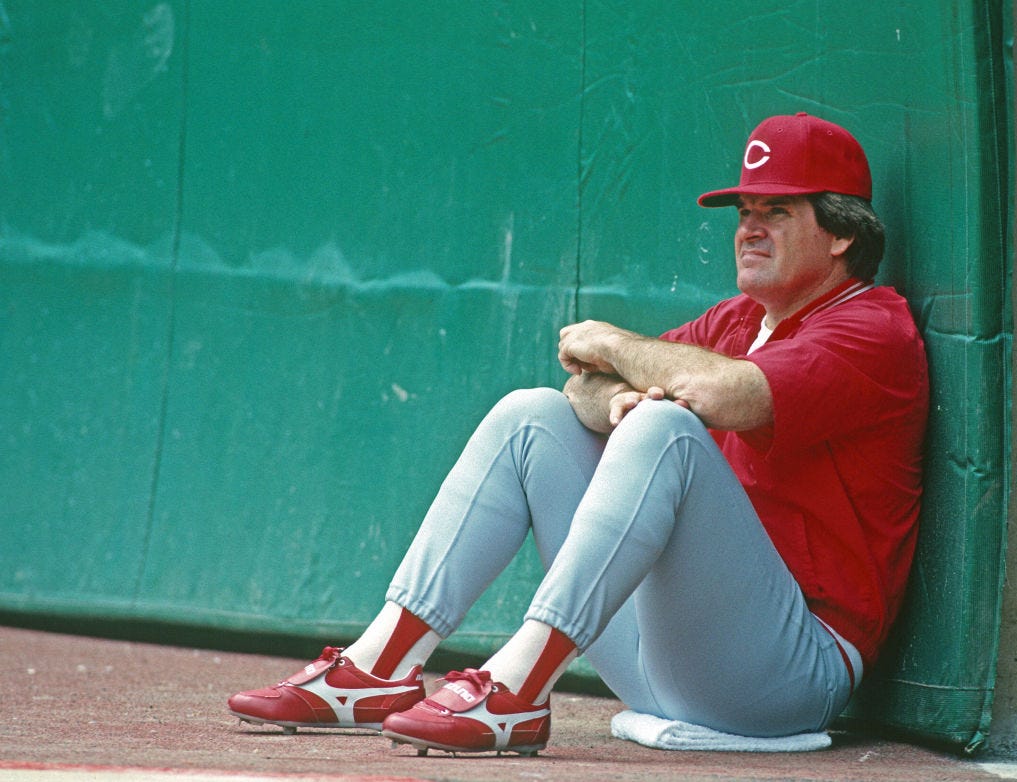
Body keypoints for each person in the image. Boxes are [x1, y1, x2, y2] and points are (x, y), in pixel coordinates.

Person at [228, 112, 929, 756]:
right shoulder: (736, 322)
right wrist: (622, 391)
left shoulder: (871, 328)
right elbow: (579, 388)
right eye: (744, 211)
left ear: (841, 233)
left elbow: (721, 392)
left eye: (777, 210)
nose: (749, 228)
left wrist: (618, 350)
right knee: (530, 415)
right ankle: (380, 668)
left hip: (790, 673)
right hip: (667, 656)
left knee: (664, 424)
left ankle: (516, 688)